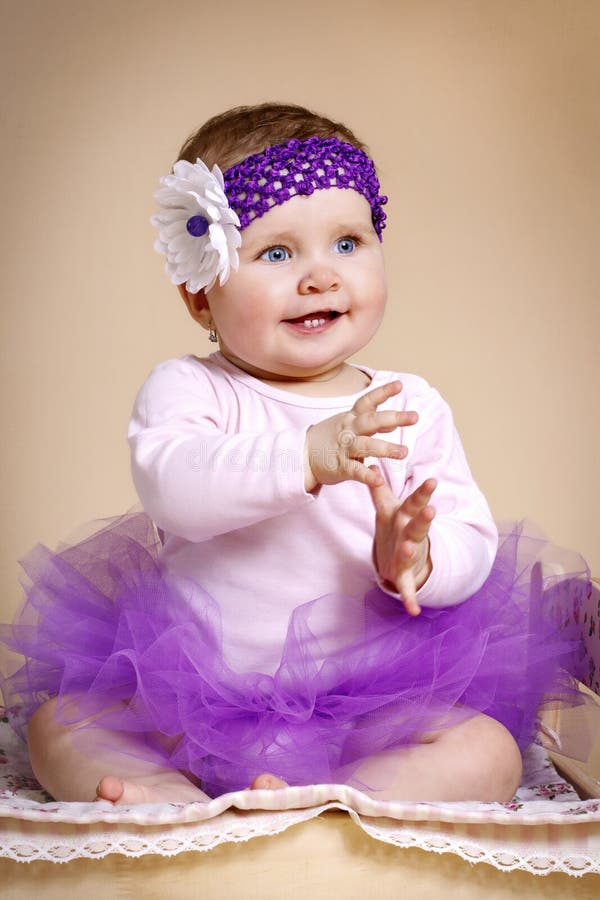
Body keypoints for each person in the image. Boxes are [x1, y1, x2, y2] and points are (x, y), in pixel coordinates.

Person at [0, 103, 587, 807]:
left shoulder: (410, 403)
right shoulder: (191, 388)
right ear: (199, 296)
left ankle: (332, 799)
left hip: (369, 711)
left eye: (347, 242)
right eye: (276, 254)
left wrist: (419, 562)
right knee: (58, 725)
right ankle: (169, 798)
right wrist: (307, 455)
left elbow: (470, 536)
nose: (320, 276)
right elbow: (175, 489)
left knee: (486, 750)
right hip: (192, 704)